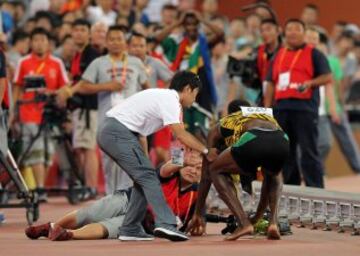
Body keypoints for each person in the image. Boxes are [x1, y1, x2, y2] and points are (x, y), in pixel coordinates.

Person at [97, 71, 217, 242]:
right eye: (196, 95)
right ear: (189, 89)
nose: (194, 100)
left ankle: (130, 227)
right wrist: (206, 151)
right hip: (116, 132)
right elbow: (181, 135)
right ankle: (166, 223)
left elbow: (146, 135)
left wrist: (150, 163)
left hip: (118, 132)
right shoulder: (170, 100)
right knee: (147, 175)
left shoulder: (166, 101)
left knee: (145, 177)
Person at [24, 150, 202, 241]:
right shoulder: (170, 174)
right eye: (190, 166)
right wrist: (183, 159)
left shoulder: (197, 195)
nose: (193, 171)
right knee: (90, 214)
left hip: (140, 223)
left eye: (199, 168)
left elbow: (197, 221)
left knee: (105, 229)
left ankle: (68, 234)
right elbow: (167, 166)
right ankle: (51, 226)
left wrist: (199, 225)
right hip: (128, 200)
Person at [57, 25, 150, 195]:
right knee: (109, 161)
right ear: (106, 42)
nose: (115, 42)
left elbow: (146, 87)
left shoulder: (136, 63)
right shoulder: (98, 63)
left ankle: (125, 199)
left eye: (119, 39)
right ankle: (110, 197)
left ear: (125, 42)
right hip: (107, 119)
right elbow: (83, 87)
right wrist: (107, 86)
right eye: (111, 39)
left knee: (129, 160)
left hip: (131, 119)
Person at [186, 99, 289, 241]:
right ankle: (273, 223)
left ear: (230, 113)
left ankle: (243, 223)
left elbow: (205, 176)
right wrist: (257, 216)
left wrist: (197, 213)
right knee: (274, 174)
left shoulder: (225, 122)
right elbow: (268, 178)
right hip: (282, 139)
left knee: (214, 169)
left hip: (254, 138)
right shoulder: (264, 116)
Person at [264, 19, 332, 188]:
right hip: (281, 109)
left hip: (305, 109)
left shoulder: (314, 53)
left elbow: (327, 77)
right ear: (284, 33)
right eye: (290, 29)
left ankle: (316, 191)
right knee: (286, 152)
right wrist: (266, 108)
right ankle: (292, 189)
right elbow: (271, 82)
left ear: (304, 33)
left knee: (309, 151)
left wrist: (310, 83)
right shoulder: (279, 54)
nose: (293, 32)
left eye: (297, 29)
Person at [12, 28, 69, 201]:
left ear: (48, 43)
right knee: (36, 150)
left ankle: (39, 188)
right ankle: (40, 189)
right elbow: (17, 88)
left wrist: (54, 95)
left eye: (42, 40)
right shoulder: (23, 62)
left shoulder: (56, 63)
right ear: (31, 42)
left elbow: (65, 88)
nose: (39, 43)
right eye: (35, 40)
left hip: (49, 114)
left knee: (47, 153)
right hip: (28, 113)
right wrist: (13, 113)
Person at [70, 19, 101, 199]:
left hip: (89, 107)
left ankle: (91, 187)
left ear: (89, 33)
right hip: (79, 107)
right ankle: (85, 186)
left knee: (88, 148)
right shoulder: (77, 55)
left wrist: (69, 90)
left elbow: (87, 83)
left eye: (83, 30)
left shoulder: (91, 54)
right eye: (76, 30)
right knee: (81, 148)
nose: (79, 33)